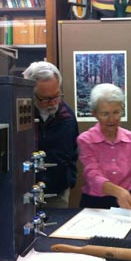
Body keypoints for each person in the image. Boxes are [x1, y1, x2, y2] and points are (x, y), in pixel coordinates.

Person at [77, 83, 131, 210]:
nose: (112, 119)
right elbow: (92, 175)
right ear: (94, 114)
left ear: (122, 110)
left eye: (116, 112)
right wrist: (119, 192)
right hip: (96, 204)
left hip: (127, 202)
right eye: (105, 114)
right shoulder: (86, 140)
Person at [23, 61, 79, 208]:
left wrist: (70, 180)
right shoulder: (20, 115)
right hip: (24, 192)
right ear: (31, 93)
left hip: (58, 192)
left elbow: (73, 151)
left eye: (56, 95)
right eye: (45, 99)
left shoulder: (67, 116)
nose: (53, 103)